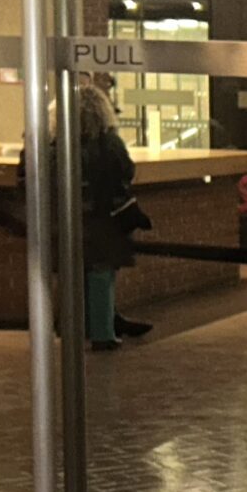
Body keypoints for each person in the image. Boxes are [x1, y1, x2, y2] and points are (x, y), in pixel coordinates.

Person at [75, 77, 149, 349]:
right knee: (102, 273)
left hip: (72, 217)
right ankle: (103, 332)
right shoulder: (109, 142)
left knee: (79, 274)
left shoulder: (60, 142)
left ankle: (81, 327)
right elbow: (126, 171)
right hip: (104, 216)